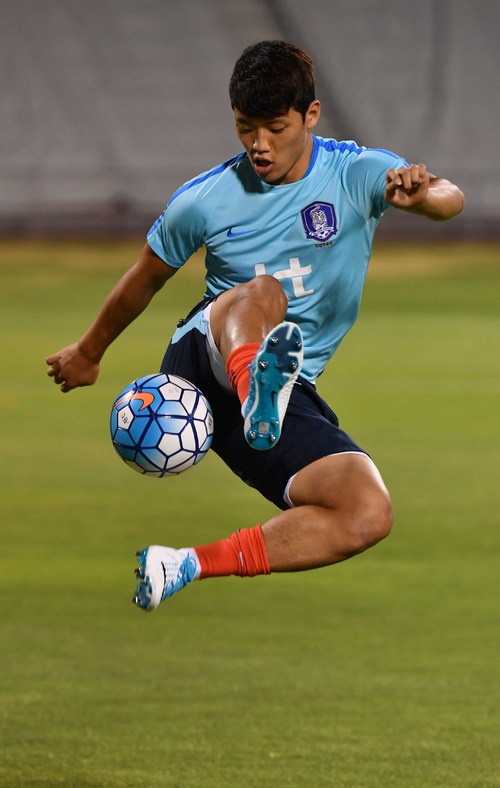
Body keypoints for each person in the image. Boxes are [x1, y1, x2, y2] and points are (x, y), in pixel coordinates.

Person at [46, 41, 464, 611]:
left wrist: (424, 192)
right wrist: (88, 352)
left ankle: (184, 563)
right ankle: (253, 384)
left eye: (274, 127)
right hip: (208, 351)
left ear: (310, 115)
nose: (258, 145)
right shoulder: (205, 200)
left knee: (366, 512)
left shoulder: (355, 173)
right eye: (246, 128)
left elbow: (448, 199)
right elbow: (145, 277)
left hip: (282, 390)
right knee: (265, 292)